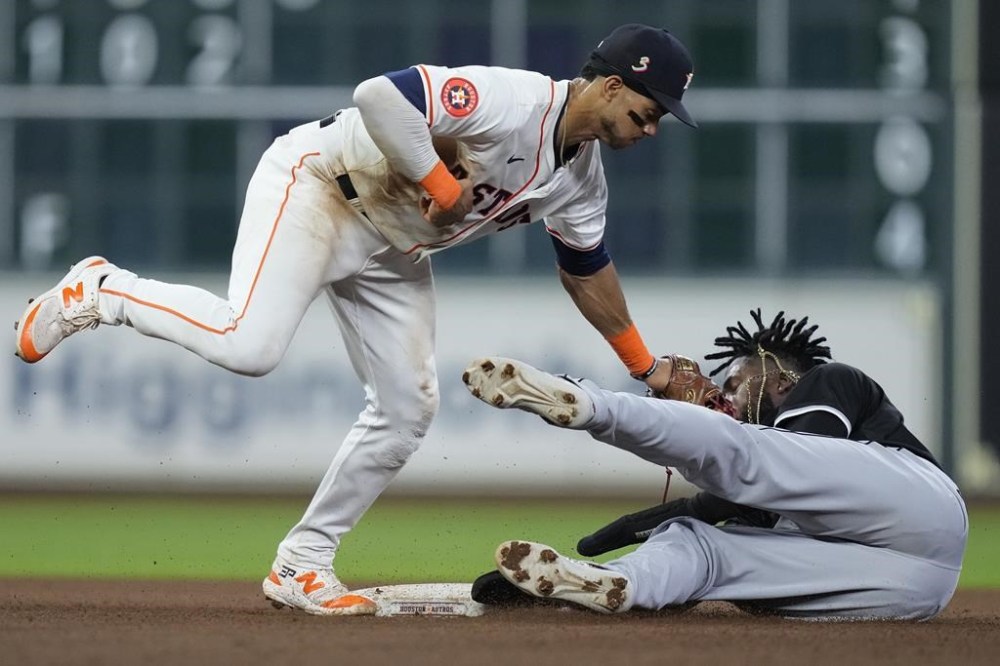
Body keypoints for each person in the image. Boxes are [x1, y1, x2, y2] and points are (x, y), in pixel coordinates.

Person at [13, 24, 697, 615]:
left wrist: (645, 365)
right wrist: (440, 183)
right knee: (249, 346)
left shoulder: (582, 180)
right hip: (319, 187)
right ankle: (99, 291)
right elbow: (378, 96)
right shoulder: (515, 99)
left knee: (408, 408)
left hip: (392, 249)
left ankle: (301, 564)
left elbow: (586, 270)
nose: (652, 125)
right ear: (609, 86)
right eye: (649, 108)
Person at [462, 310, 968, 620]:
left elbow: (770, 465)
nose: (723, 393)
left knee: (742, 454)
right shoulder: (763, 460)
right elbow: (753, 496)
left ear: (780, 381)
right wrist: (670, 528)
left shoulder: (827, 382)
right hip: (912, 593)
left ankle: (587, 402)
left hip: (928, 510)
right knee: (701, 550)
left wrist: (693, 498)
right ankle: (618, 584)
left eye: (732, 381)